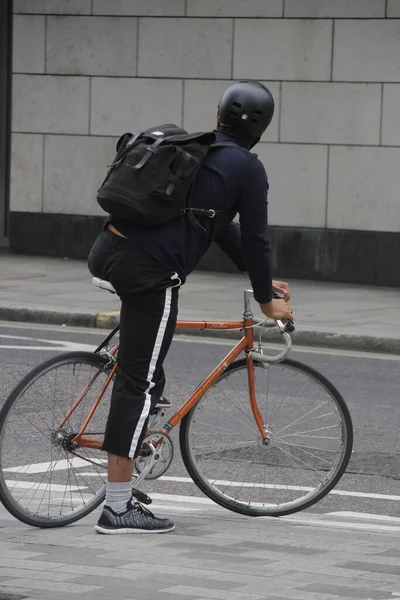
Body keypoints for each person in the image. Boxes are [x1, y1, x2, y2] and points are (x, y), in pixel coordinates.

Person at [88, 80, 294, 535]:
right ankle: (117, 508)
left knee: (145, 365)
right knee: (137, 383)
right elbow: (257, 238)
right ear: (262, 126)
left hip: (108, 250)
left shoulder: (199, 153)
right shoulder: (248, 167)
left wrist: (256, 277)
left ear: (219, 114)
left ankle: (133, 458)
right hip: (150, 272)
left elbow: (218, 227)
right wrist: (267, 299)